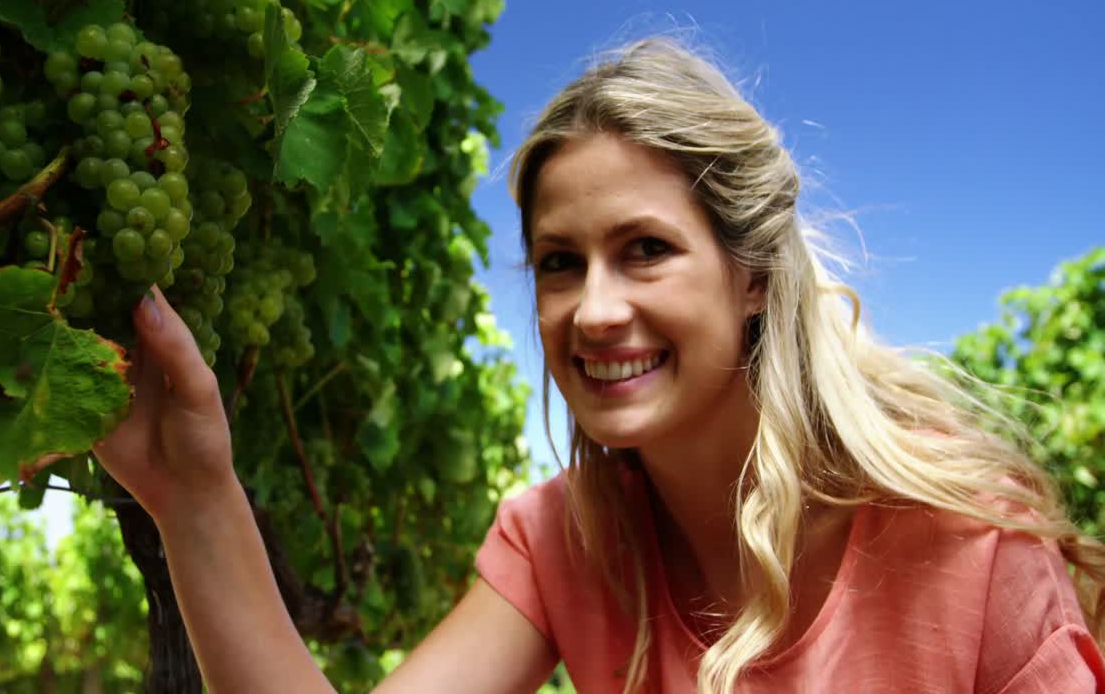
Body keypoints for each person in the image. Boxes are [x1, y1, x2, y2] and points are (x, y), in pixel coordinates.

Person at [92, 37, 1105, 693]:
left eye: (645, 250)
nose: (594, 309)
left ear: (750, 274)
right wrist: (194, 498)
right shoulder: (558, 541)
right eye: (557, 265)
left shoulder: (962, 543)